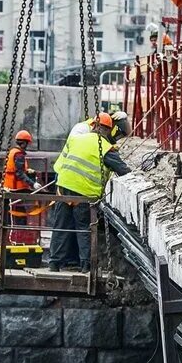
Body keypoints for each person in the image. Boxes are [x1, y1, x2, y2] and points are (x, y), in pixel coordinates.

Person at [49, 112, 131, 272]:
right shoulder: (106, 149)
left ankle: (54, 263)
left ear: (93, 125)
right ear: (109, 130)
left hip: (63, 188)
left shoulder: (76, 138)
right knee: (83, 228)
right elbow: (124, 171)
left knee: (61, 226)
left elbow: (61, 162)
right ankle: (86, 265)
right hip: (84, 194)